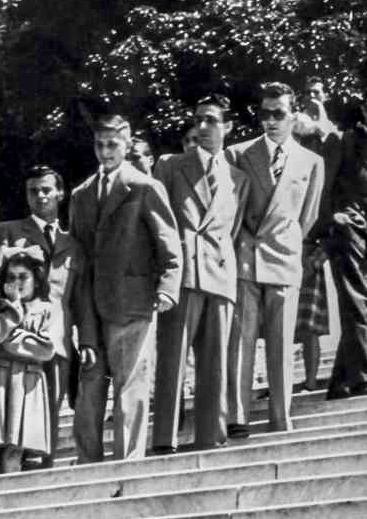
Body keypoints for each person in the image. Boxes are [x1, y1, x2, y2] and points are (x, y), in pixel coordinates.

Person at [69, 114, 182, 463]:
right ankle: (88, 460)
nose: (105, 152)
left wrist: (167, 287)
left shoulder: (143, 186)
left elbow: (169, 244)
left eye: (113, 145)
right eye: (99, 145)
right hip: (92, 303)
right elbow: (78, 252)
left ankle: (128, 460)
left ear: (127, 144)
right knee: (89, 387)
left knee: (130, 382)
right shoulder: (81, 194)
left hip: (134, 299)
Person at [152, 94, 249, 453]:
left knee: (216, 362)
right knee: (172, 358)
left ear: (228, 127)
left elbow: (232, 230)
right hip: (185, 273)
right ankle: (165, 438)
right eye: (198, 120)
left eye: (211, 120)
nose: (203, 127)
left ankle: (212, 434)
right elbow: (159, 222)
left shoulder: (239, 178)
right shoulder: (171, 165)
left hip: (220, 275)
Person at [226, 82, 324, 436]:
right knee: (242, 340)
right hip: (246, 257)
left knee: (282, 345)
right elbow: (230, 210)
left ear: (293, 115)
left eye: (278, 113)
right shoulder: (237, 154)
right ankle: (237, 416)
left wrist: (286, 240)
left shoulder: (312, 162)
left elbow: (307, 217)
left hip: (283, 257)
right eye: (264, 113)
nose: (270, 121)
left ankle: (280, 417)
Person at [0, 165, 82, 463]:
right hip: (18, 341)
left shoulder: (72, 243)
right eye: (33, 191)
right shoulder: (9, 230)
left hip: (56, 340)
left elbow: (79, 298)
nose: (40, 196)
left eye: (46, 190)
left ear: (60, 194)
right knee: (14, 423)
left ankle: (43, 477)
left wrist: (87, 340)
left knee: (47, 421)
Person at [0, 246, 55, 476]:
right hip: (0, 378)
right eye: (11, 277)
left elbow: (46, 349)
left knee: (16, 449)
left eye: (23, 277)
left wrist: (14, 340)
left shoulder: (47, 309)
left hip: (29, 382)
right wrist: (14, 311)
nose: (17, 283)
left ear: (36, 280)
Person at [293, 77, 343, 391]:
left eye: (318, 92)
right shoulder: (297, 133)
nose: (312, 98)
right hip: (296, 236)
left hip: (325, 232)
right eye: (308, 94)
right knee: (294, 317)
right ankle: (297, 378)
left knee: (312, 319)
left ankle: (314, 379)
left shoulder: (334, 137)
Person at [320, 101, 367, 399]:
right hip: (347, 230)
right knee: (356, 301)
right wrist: (331, 219)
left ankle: (342, 381)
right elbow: (322, 187)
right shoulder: (341, 139)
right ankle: (361, 376)